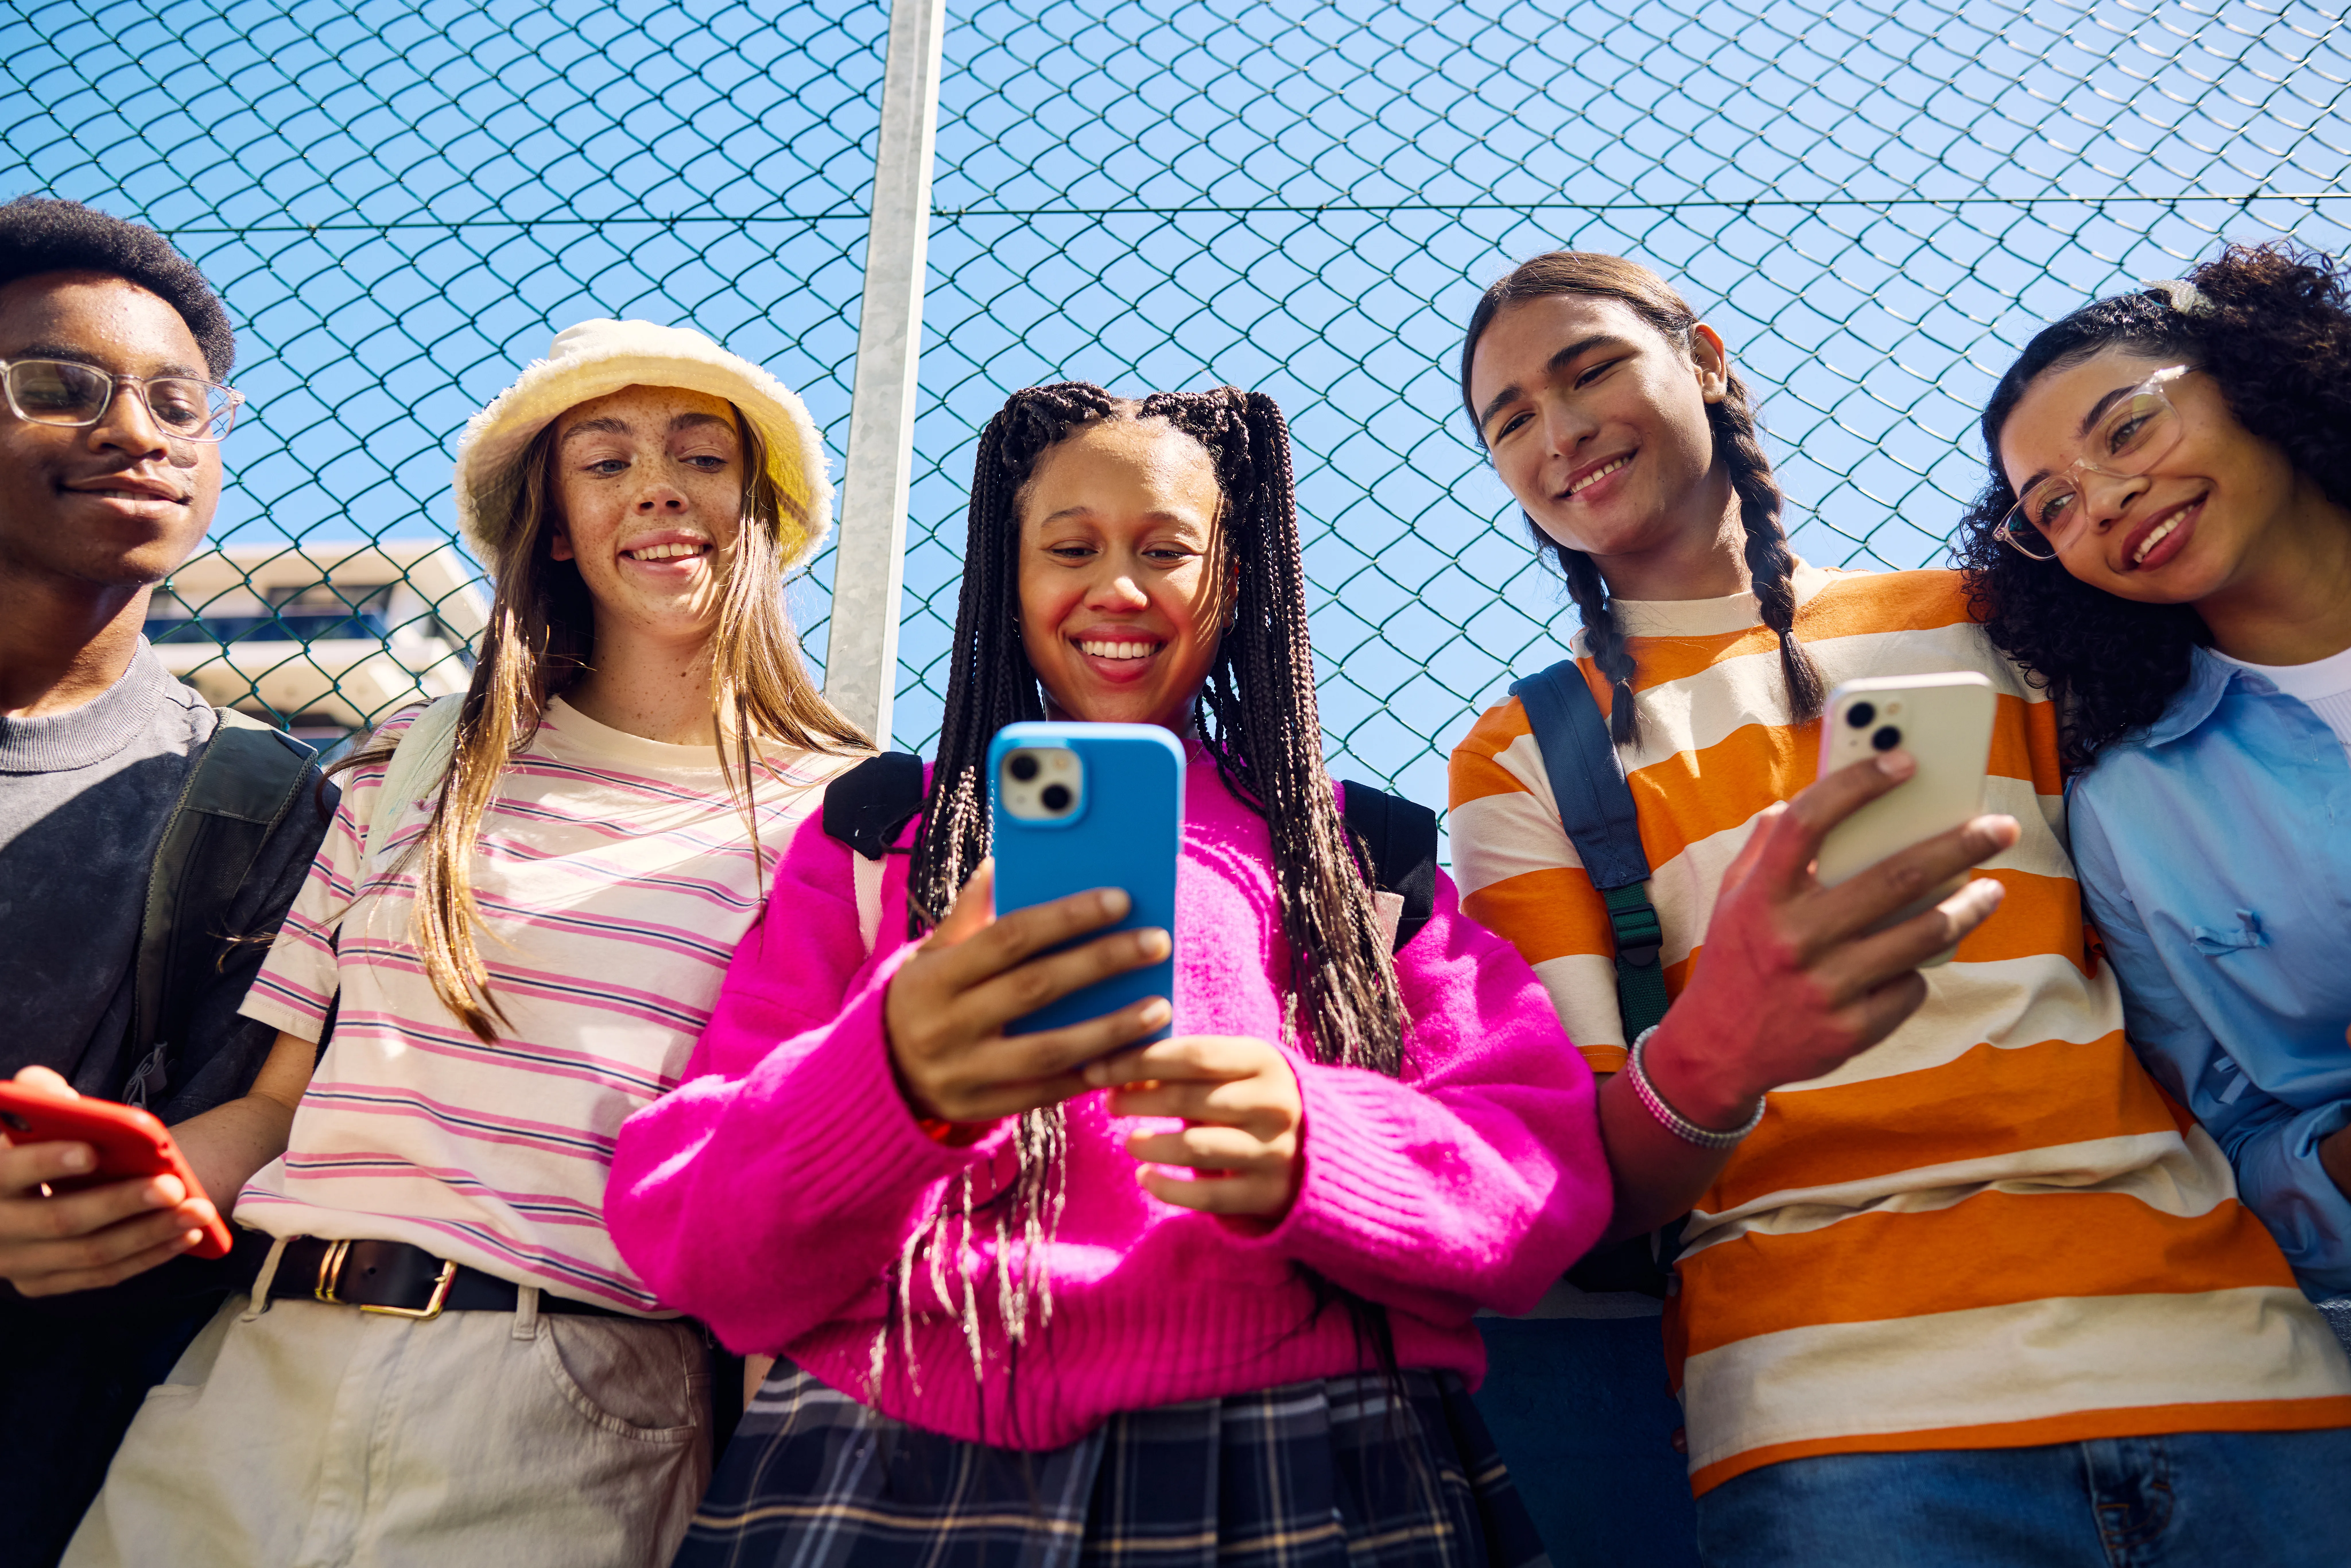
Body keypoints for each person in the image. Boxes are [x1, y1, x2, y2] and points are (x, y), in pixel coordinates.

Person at [607, 383, 1616, 1567]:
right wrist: (889, 1081)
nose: (1117, 587)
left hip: (1316, 1456)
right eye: (1069, 547)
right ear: (1008, 576)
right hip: (889, 1455)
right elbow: (686, 1223)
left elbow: (1539, 1168)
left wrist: (1320, 1145)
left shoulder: (1362, 862)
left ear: (1234, 578)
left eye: (1165, 549)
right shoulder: (881, 840)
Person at [1450, 249, 2351, 1567]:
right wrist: (1725, 1045)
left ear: (1704, 358)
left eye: (1587, 369)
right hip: (1842, 1426)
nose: (1557, 428)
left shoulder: (2007, 620)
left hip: (2230, 1357)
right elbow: (1592, 1183)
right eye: (1508, 418)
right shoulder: (1523, 757)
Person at [66, 319, 868, 1568]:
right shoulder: (411, 762)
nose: (658, 482)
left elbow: (797, 1186)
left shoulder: (852, 815)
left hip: (575, 1408)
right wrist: (114, 1179)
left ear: (757, 505)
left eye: (700, 456)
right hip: (252, 1381)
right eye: (604, 462)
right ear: (551, 528)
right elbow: (279, 1106)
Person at [0, 194, 333, 1568]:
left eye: (176, 402)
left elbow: (215, 1171)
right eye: (56, 387)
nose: (135, 431)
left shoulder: (265, 803)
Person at [1955, 242, 2351, 1348]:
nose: (2111, 498)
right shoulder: (2131, 818)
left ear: (2254, 369)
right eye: (2055, 508)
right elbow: (2226, 1136)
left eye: (2126, 429)